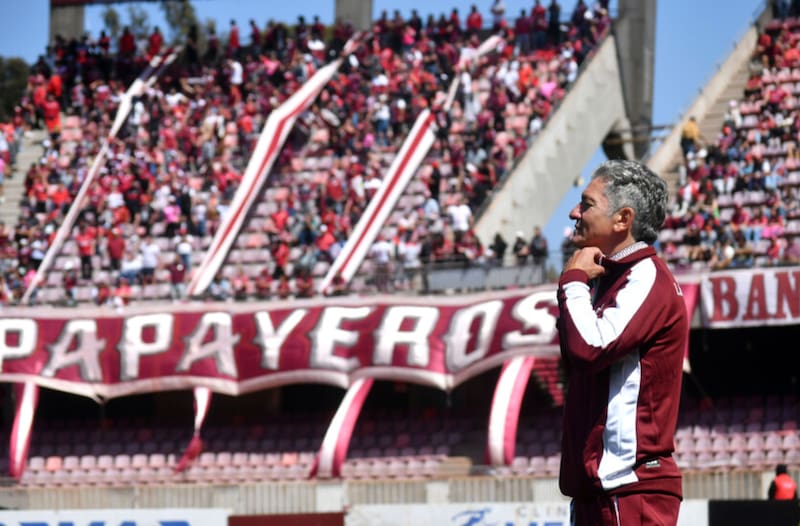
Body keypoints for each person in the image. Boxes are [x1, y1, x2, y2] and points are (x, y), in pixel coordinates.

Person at [557, 160, 688, 525]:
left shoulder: (645, 277)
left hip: (629, 491)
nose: (574, 213)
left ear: (622, 219)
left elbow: (589, 348)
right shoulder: (608, 280)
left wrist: (572, 282)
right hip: (602, 491)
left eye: (586, 204)